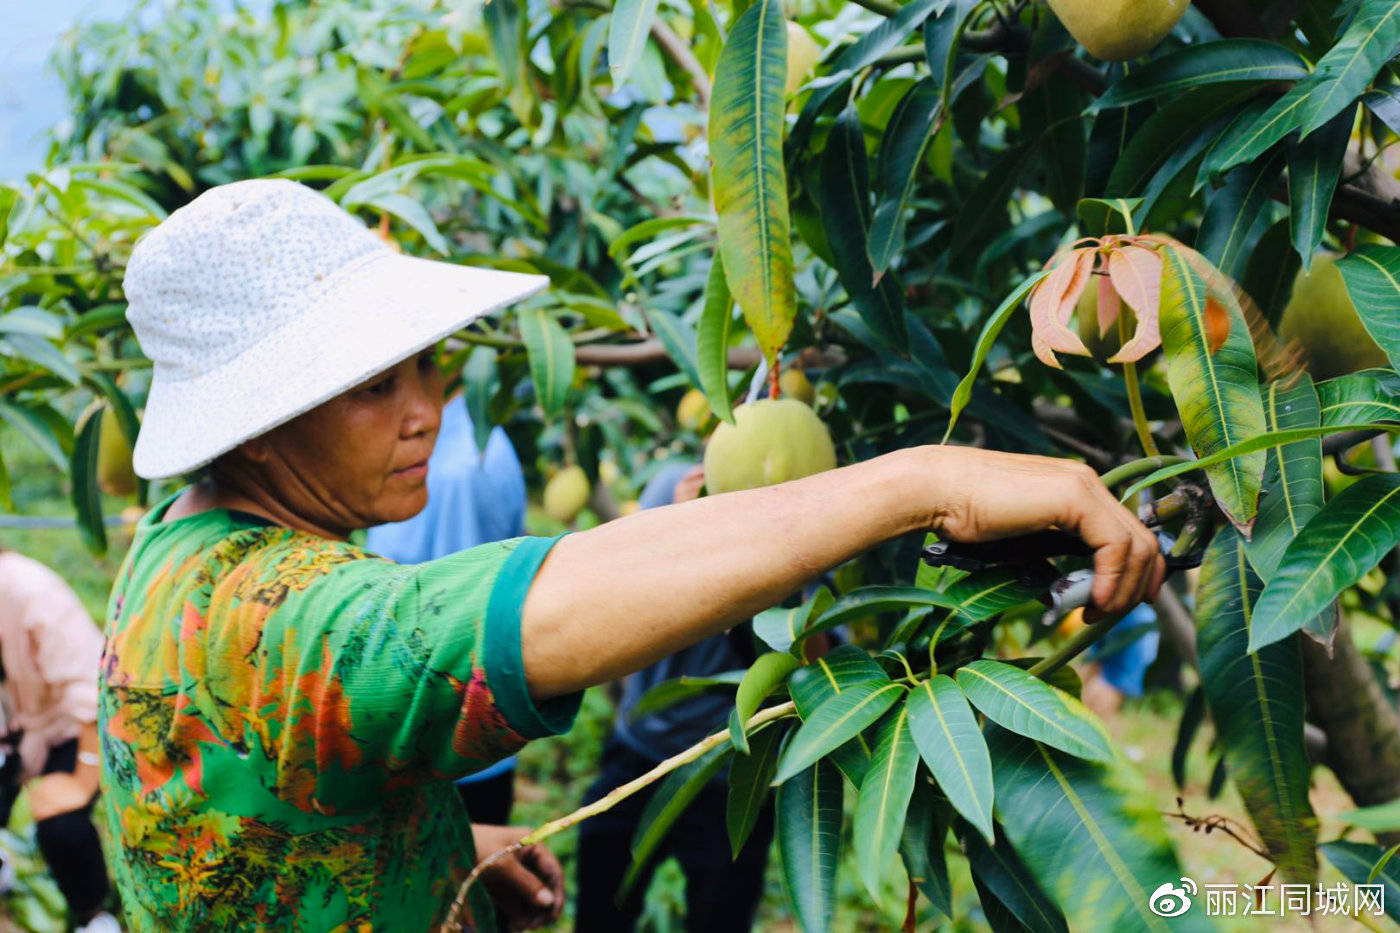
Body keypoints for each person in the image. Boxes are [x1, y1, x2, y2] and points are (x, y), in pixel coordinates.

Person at [99, 178, 1165, 932]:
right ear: (259, 422)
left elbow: (238, 786)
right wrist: (917, 482)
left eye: (428, 368)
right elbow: (528, 615)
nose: (424, 409)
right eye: (376, 386)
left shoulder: (174, 552)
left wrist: (430, 848)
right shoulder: (285, 614)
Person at [574, 460, 775, 932]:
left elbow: (815, 658)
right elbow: (620, 597)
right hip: (640, 752)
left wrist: (759, 557)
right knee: (601, 906)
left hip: (734, 773)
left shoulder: (809, 513)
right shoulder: (673, 486)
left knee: (719, 917)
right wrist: (683, 531)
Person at [366, 396, 528, 826]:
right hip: (464, 735)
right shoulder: (476, 440)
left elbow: (454, 609)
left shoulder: (455, 467)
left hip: (440, 744)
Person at [0, 550, 117, 932]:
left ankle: (94, 915)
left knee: (61, 825)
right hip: (18, 726)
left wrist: (82, 782)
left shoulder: (29, 592)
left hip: (74, 726)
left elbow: (91, 687)